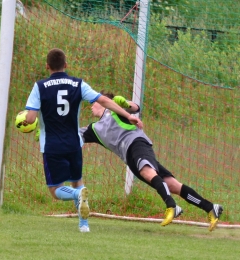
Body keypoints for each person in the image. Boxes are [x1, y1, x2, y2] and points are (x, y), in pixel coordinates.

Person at [22, 48, 143, 233]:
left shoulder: (39, 86)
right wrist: (129, 115)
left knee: (55, 190)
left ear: (47, 66)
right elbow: (103, 100)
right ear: (66, 65)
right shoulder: (77, 84)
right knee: (77, 181)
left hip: (52, 145)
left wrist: (25, 120)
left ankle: (78, 195)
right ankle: (83, 225)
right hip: (74, 143)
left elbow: (30, 119)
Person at [79, 91, 223, 231]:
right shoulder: (94, 129)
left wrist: (122, 101)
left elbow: (135, 107)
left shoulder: (116, 109)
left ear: (105, 101)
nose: (91, 104)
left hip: (137, 144)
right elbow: (74, 135)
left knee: (147, 172)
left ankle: (171, 206)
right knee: (172, 185)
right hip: (129, 158)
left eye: (95, 101)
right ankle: (211, 208)